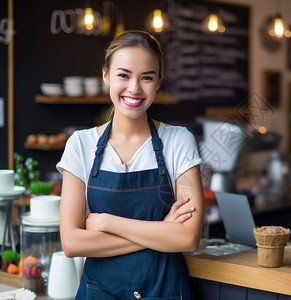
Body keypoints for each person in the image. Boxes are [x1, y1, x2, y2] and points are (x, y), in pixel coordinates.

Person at [56, 30, 204, 299]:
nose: (134, 88)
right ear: (106, 76)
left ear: (158, 82)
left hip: (165, 291)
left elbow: (187, 238)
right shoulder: (80, 145)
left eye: (146, 77)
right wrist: (161, 232)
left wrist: (105, 221)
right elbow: (72, 242)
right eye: (123, 75)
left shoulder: (179, 141)